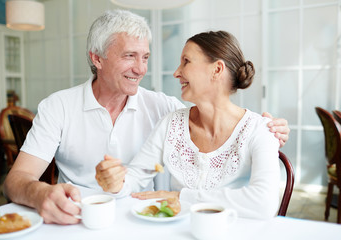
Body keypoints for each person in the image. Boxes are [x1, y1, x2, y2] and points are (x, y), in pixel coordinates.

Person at [3, 10, 289, 225]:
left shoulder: (164, 108)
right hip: (80, 221)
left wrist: (268, 129)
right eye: (130, 56)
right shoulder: (59, 107)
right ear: (97, 59)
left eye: (146, 57)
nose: (141, 69)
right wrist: (41, 194)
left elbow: (215, 108)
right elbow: (16, 180)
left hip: (147, 221)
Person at [96, 30, 281, 219]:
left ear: (216, 69)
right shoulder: (172, 124)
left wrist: (180, 196)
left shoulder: (260, 129)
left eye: (186, 61)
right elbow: (135, 176)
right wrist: (115, 183)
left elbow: (264, 203)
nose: (176, 72)